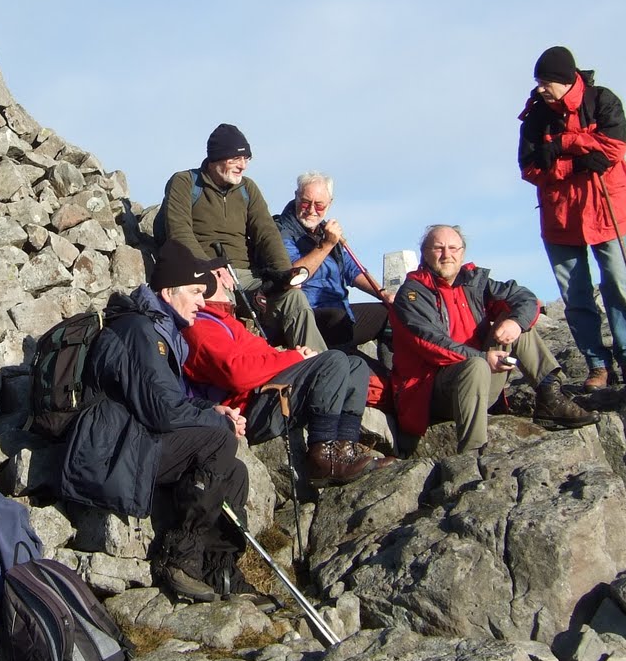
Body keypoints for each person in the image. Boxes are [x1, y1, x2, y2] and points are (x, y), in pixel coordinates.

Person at [55, 240, 250, 604]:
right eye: (195, 292)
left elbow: (164, 402)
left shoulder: (159, 333)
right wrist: (213, 419)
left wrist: (214, 412)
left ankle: (219, 571)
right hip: (108, 454)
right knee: (219, 441)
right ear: (168, 290)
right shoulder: (139, 332)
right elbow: (162, 411)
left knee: (235, 472)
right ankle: (178, 559)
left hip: (132, 442)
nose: (202, 302)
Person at [390, 225, 599, 453]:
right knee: (476, 365)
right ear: (425, 252)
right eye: (438, 248)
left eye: (453, 248)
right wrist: (481, 357)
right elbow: (430, 342)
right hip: (431, 394)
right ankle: (473, 451)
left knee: (516, 322)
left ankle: (550, 396)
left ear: (462, 252)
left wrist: (515, 323)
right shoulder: (412, 294)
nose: (447, 255)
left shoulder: (474, 281)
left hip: (480, 384)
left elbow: (524, 298)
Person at [182, 259, 386, 484]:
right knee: (333, 360)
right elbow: (238, 375)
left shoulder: (224, 321)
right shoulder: (202, 327)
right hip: (250, 410)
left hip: (265, 393)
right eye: (221, 275)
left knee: (355, 365)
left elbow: (261, 358)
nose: (230, 280)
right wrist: (295, 358)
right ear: (208, 284)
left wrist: (294, 357)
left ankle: (346, 449)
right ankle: (323, 456)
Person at [517, 46, 626, 387]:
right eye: (539, 82)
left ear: (564, 79)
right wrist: (576, 159)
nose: (541, 88)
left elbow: (613, 149)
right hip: (561, 218)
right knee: (576, 297)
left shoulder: (602, 100)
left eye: (546, 81)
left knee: (619, 284)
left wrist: (562, 145)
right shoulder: (534, 116)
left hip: (606, 210)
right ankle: (598, 365)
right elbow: (530, 168)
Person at [160, 123, 324, 351]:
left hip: (247, 276)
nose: (243, 165)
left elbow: (267, 233)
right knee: (219, 300)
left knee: (295, 300)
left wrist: (286, 275)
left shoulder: (248, 189)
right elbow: (179, 231)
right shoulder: (185, 183)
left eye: (247, 159)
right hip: (203, 271)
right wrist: (208, 268)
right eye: (237, 158)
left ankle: (321, 371)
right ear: (218, 156)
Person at [273, 172, 394, 358]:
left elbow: (351, 269)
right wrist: (326, 245)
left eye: (319, 205)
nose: (312, 210)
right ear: (296, 196)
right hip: (307, 315)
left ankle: (393, 376)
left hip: (342, 312)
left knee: (391, 314)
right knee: (337, 318)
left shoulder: (326, 231)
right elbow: (293, 274)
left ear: (329, 203)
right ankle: (341, 362)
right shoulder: (281, 231)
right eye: (306, 202)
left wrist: (382, 292)